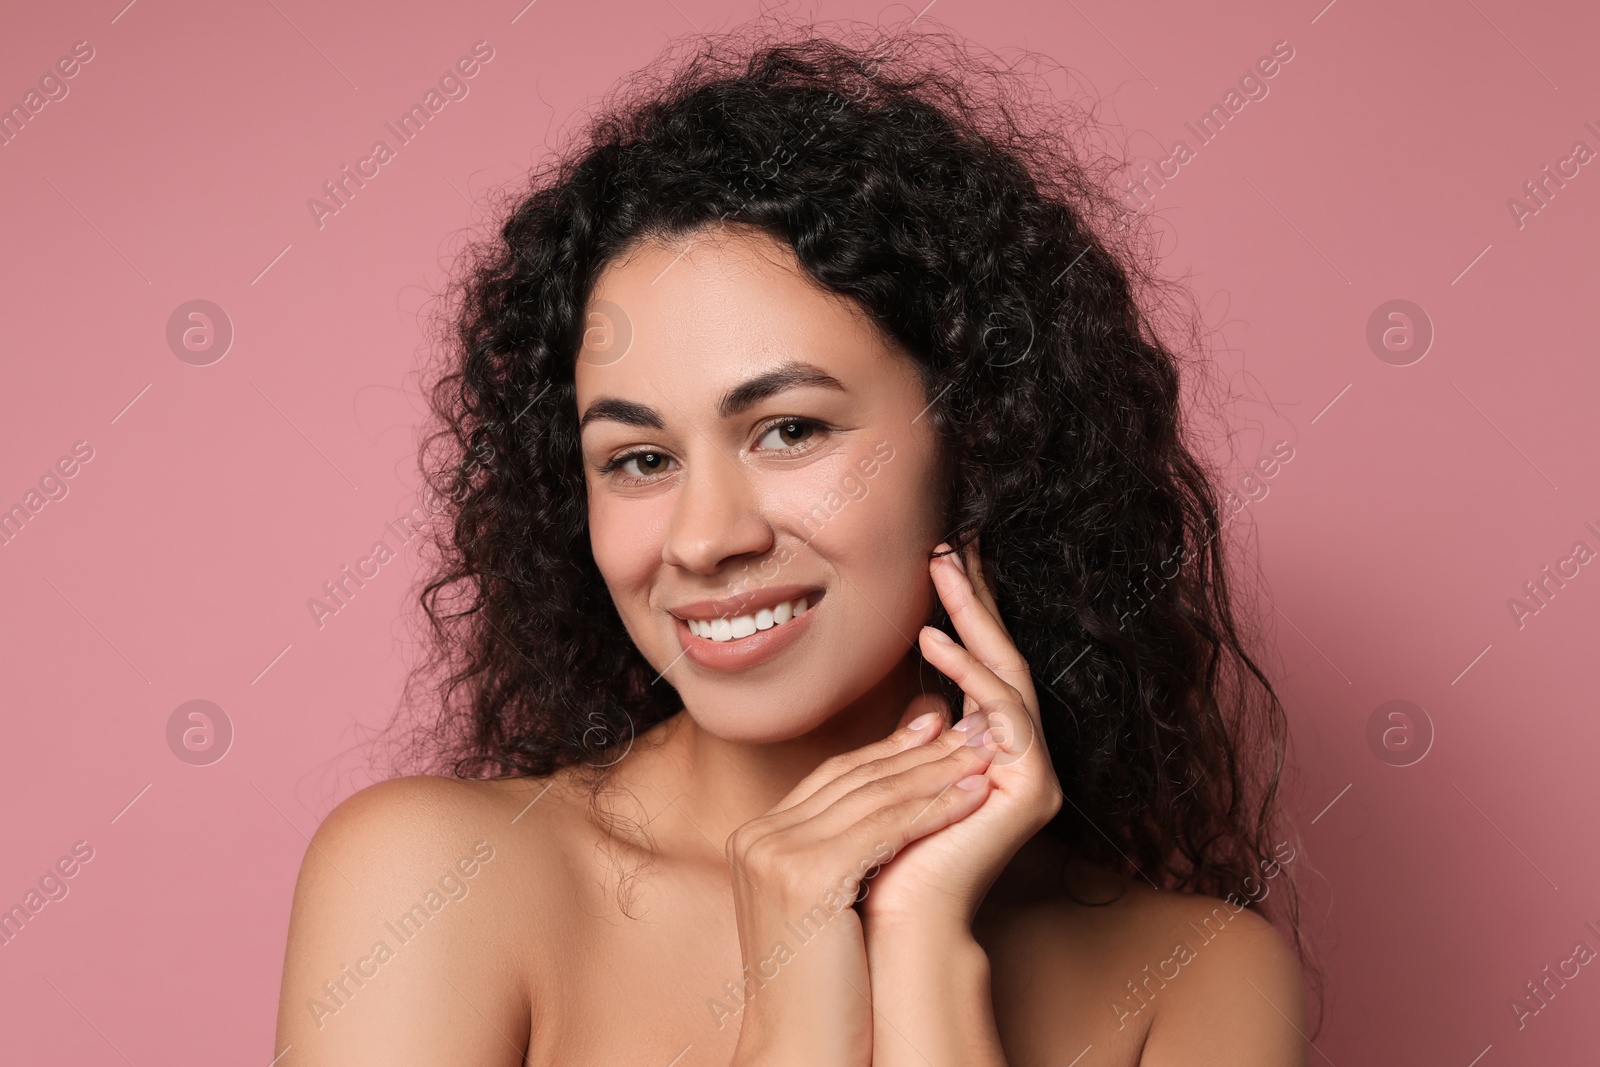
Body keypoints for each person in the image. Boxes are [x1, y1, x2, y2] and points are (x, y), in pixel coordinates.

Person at [274, 23, 1310, 1066]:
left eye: (790, 430)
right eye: (638, 458)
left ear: (981, 441)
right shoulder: (429, 884)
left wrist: (923, 953)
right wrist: (797, 995)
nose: (706, 538)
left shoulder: (1195, 978)